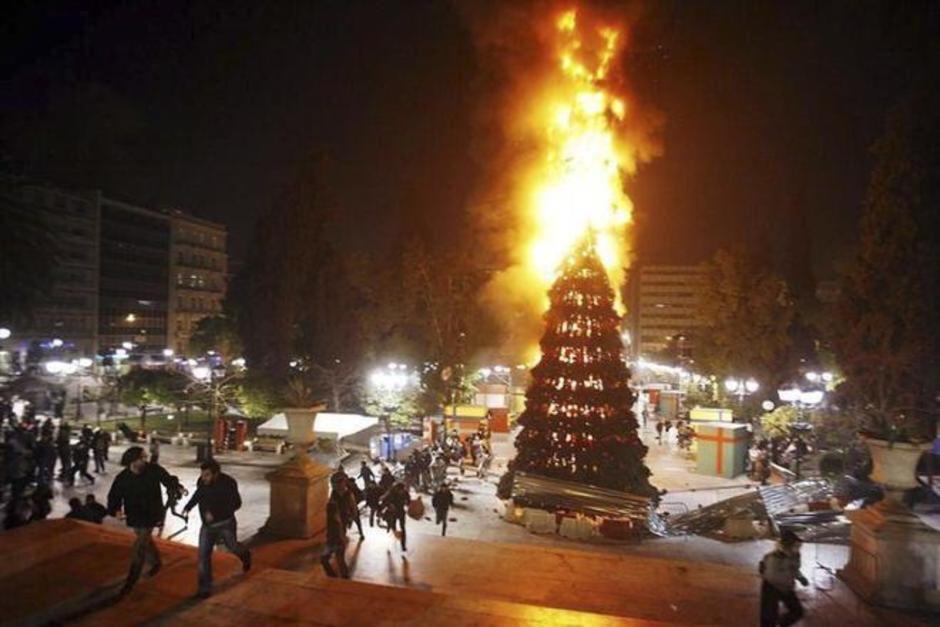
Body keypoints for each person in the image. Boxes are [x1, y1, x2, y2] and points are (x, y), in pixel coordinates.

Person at [107, 446, 185, 597]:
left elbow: (167, 480)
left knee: (139, 546)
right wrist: (115, 510)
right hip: (134, 515)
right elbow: (114, 496)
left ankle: (131, 581)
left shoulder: (153, 470)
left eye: (145, 457)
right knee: (144, 539)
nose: (145, 460)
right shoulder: (122, 478)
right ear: (133, 461)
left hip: (151, 513)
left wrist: (177, 487)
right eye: (142, 458)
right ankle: (156, 562)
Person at [182, 459, 252, 599]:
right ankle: (204, 589)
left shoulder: (228, 483)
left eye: (207, 475)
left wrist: (215, 514)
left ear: (216, 474)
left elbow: (236, 504)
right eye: (202, 475)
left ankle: (245, 555)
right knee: (203, 556)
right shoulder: (202, 481)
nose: (204, 478)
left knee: (232, 547)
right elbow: (199, 494)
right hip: (207, 526)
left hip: (225, 523)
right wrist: (188, 507)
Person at [759, 529, 808, 627]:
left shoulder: (795, 555)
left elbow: (794, 569)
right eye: (796, 545)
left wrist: (800, 577)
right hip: (771, 586)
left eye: (799, 546)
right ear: (787, 545)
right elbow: (771, 576)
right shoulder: (774, 557)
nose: (798, 548)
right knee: (768, 618)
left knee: (797, 612)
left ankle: (782, 623)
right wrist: (785, 588)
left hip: (786, 587)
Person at [320, 496, 349, 578]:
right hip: (336, 543)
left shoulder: (334, 521)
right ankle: (344, 578)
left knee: (326, 559)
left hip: (335, 543)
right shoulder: (335, 519)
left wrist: (336, 543)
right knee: (340, 562)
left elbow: (336, 533)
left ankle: (334, 577)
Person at [381, 482, 409, 551]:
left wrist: (407, 502)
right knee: (393, 526)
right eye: (400, 490)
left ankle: (403, 545)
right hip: (392, 512)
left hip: (401, 511)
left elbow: (408, 500)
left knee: (403, 527)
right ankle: (393, 533)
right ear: (397, 489)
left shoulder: (405, 493)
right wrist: (389, 505)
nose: (401, 492)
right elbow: (384, 500)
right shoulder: (391, 493)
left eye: (402, 490)